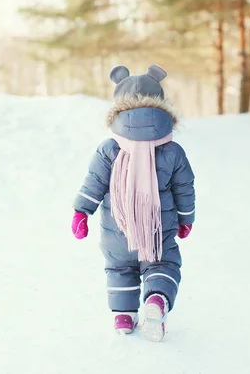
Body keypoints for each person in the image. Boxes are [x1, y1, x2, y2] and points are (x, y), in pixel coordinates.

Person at [71, 64, 196, 342]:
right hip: (157, 229)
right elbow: (184, 188)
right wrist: (186, 218)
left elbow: (94, 182)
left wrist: (81, 212)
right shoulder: (172, 149)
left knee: (119, 267)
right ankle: (156, 300)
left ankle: (124, 316)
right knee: (162, 264)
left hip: (118, 227)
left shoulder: (109, 148)